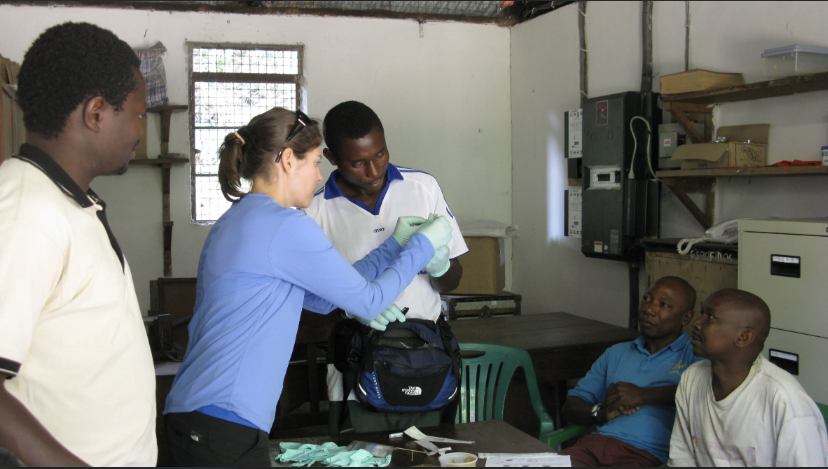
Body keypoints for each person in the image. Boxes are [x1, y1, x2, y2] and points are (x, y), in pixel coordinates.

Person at [163, 107, 452, 467]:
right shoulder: (284, 225)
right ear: (286, 159)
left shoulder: (242, 217)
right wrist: (422, 246)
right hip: (224, 419)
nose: (319, 177)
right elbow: (370, 300)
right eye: (315, 162)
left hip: (197, 413)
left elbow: (319, 298)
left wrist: (393, 245)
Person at [0, 23, 156, 466]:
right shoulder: (26, 214)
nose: (139, 130)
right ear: (96, 113)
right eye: (138, 114)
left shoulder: (66, 202)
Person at [302, 101, 469, 433]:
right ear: (332, 158)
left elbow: (454, 280)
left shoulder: (422, 188)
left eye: (380, 155)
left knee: (433, 454)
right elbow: (309, 304)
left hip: (427, 357)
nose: (374, 171)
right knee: (359, 454)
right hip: (356, 359)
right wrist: (352, 310)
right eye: (358, 163)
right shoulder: (315, 213)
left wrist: (438, 266)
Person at [669, 288, 828, 467]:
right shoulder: (692, 378)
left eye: (710, 317)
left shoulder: (785, 401)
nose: (697, 323)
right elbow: (682, 456)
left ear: (743, 337)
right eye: (702, 313)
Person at [559, 277, 702, 467]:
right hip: (594, 445)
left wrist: (643, 395)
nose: (648, 309)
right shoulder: (617, 353)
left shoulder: (694, 355)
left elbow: (704, 394)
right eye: (647, 299)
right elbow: (572, 405)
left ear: (686, 318)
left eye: (664, 304)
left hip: (645, 455)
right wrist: (600, 413)